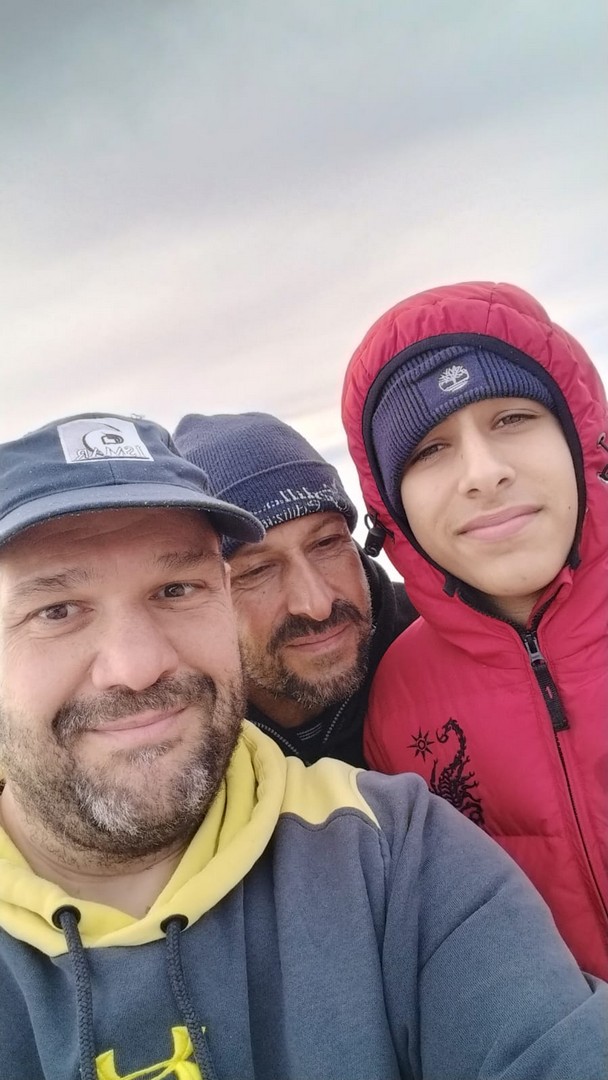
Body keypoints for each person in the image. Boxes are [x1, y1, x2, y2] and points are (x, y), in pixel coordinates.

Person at [1, 412, 607, 1080]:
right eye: (56, 610)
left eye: (175, 589)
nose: (316, 604)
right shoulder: (178, 712)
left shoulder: (400, 843)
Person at [341, 280, 608, 979]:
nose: (484, 474)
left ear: (579, 438)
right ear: (391, 507)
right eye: (429, 450)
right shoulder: (397, 696)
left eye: (513, 417)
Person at [173, 411, 417, 765]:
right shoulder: (176, 729)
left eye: (326, 543)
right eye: (258, 570)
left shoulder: (443, 638)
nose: (317, 605)